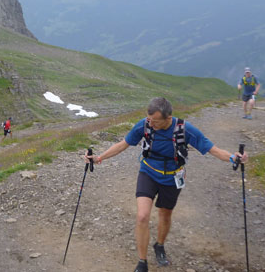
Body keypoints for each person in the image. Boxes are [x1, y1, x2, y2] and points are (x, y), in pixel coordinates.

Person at [85, 97, 248, 272]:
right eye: (149, 119)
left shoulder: (185, 129)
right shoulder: (144, 125)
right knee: (142, 216)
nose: (151, 123)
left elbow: (212, 149)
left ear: (168, 118)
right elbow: (123, 144)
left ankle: (159, 245)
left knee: (165, 214)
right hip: (148, 173)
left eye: (155, 121)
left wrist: (233, 157)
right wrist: (99, 157)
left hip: (172, 178)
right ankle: (142, 262)